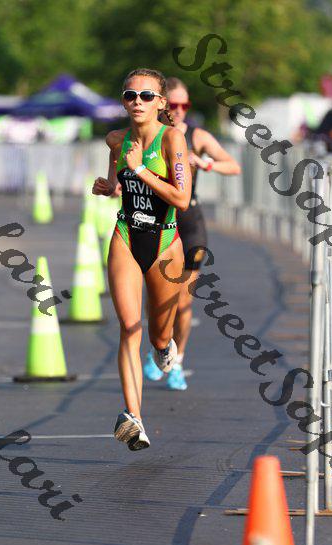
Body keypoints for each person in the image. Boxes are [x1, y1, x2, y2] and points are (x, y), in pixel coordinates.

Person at [92, 69, 191, 451]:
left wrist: (140, 170)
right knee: (129, 327)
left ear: (161, 103)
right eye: (130, 95)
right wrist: (110, 186)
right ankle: (134, 417)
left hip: (165, 243)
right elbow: (117, 177)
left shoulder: (173, 139)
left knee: (158, 335)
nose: (137, 102)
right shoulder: (116, 139)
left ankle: (164, 348)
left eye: (146, 96)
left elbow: (182, 199)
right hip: (126, 235)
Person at [143, 77, 241, 390]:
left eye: (184, 105)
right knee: (157, 299)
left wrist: (205, 163)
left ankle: (177, 361)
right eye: (174, 104)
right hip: (158, 221)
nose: (179, 110)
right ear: (161, 104)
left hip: (190, 223)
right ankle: (160, 347)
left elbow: (233, 166)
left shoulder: (197, 136)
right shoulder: (151, 135)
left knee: (184, 301)